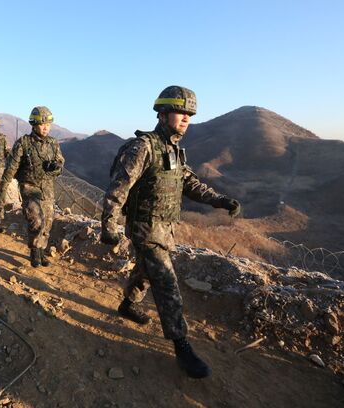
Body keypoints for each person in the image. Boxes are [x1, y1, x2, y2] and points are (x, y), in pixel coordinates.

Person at [101, 85, 241, 379]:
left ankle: (128, 305)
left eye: (190, 113)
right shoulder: (143, 147)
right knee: (165, 279)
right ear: (163, 114)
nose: (186, 118)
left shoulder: (173, 150)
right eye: (181, 112)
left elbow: (190, 183)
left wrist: (220, 200)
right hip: (144, 227)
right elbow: (118, 188)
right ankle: (181, 344)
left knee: (145, 271)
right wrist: (108, 225)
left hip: (165, 226)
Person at [0, 106, 64, 267]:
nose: (46, 127)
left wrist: (56, 167)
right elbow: (11, 167)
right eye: (42, 124)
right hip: (29, 187)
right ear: (34, 124)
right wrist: (3, 189)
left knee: (47, 221)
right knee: (36, 220)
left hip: (47, 188)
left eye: (48, 124)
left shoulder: (53, 143)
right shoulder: (23, 143)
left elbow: (61, 162)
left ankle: (41, 250)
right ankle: (34, 250)